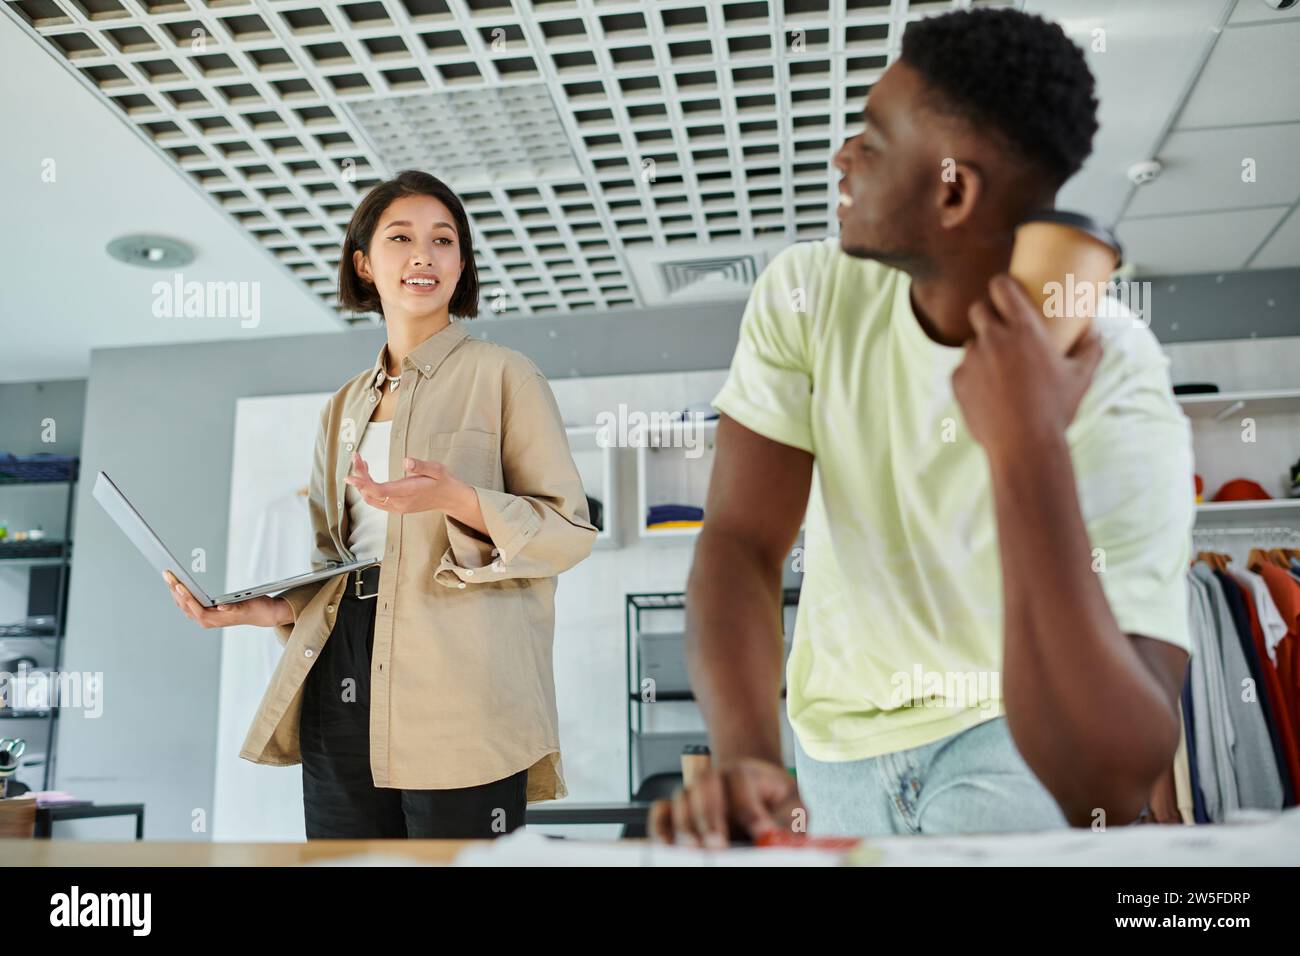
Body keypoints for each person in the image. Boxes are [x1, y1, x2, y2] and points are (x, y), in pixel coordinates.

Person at [650, 8, 1194, 844]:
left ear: (951, 189)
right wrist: (750, 759)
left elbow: (1112, 773)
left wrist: (1028, 447)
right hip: (834, 742)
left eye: (870, 138)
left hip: (1006, 735)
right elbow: (739, 543)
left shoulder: (1117, 373)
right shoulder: (809, 293)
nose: (844, 157)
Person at [165, 169, 597, 839]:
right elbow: (332, 562)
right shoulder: (342, 405)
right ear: (364, 263)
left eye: (443, 240)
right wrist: (274, 607)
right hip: (342, 665)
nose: (424, 255)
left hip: (463, 680)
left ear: (461, 263)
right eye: (401, 237)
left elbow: (568, 532)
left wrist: (456, 497)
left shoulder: (504, 375)